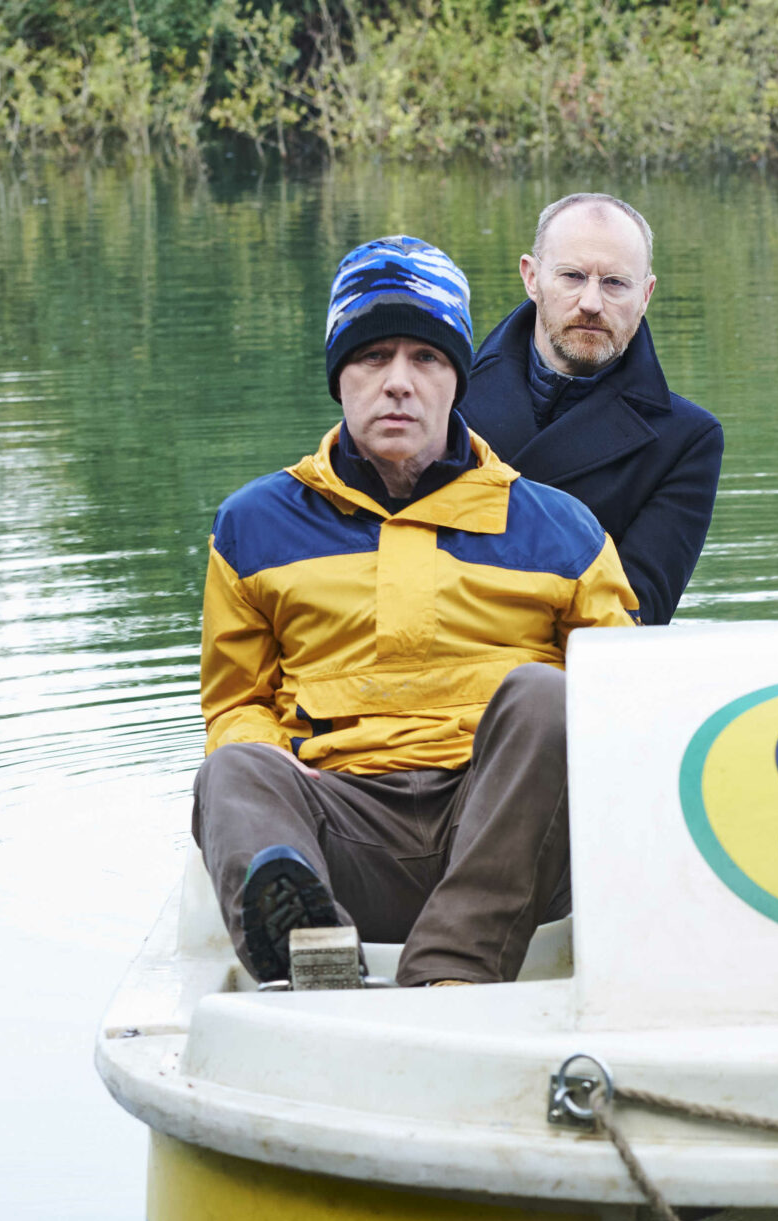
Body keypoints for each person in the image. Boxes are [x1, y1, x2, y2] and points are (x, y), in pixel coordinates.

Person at [193, 235, 637, 989]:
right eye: (373, 358)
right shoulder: (253, 525)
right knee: (234, 768)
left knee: (550, 695)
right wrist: (280, 776)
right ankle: (313, 947)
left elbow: (623, 710)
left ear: (458, 380)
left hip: (508, 835)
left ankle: (448, 976)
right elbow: (238, 703)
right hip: (342, 830)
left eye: (426, 359)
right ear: (340, 377)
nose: (399, 382)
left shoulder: (562, 531)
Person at [468, 193, 724, 625]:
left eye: (614, 283)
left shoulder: (685, 440)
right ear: (531, 278)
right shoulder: (444, 403)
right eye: (572, 276)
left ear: (646, 295)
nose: (591, 302)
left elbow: (634, 614)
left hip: (564, 677)